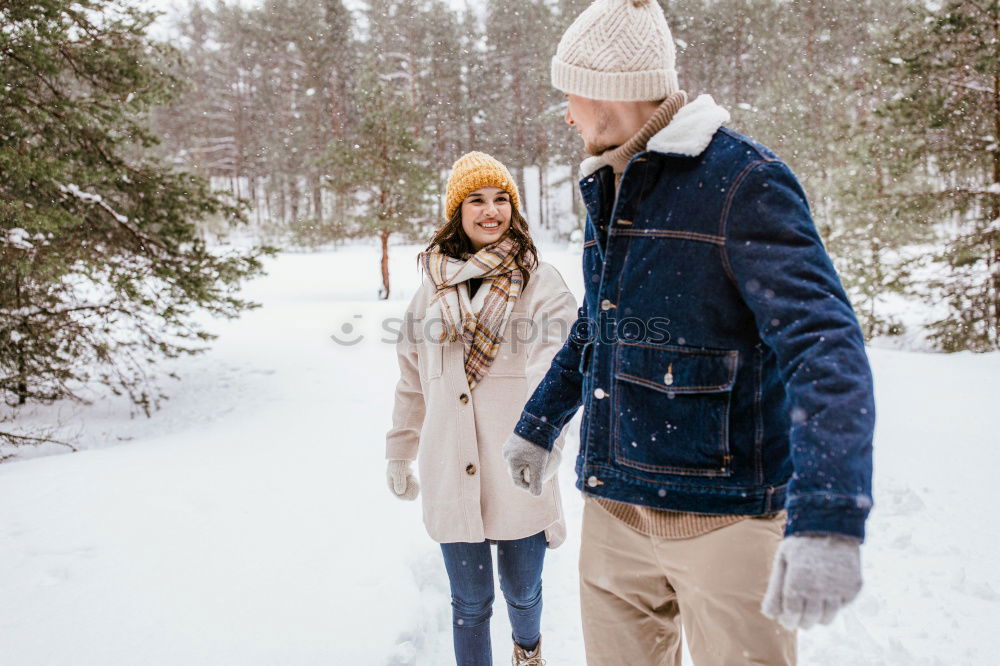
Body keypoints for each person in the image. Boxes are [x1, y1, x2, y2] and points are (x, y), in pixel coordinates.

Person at [501, 1, 875, 664]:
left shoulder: (745, 183)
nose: (565, 113)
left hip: (725, 520)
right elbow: (600, 324)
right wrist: (539, 421)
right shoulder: (612, 180)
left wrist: (830, 518)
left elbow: (825, 346)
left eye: (570, 94)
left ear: (609, 93)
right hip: (615, 511)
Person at [386, 152, 577, 666]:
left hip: (516, 464)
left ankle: (528, 649)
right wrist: (400, 450)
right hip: (450, 466)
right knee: (470, 603)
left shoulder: (540, 283)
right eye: (477, 200)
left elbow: (557, 365)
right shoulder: (431, 291)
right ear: (457, 211)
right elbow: (412, 378)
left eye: (501, 200)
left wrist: (543, 439)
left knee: (521, 589)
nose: (490, 211)